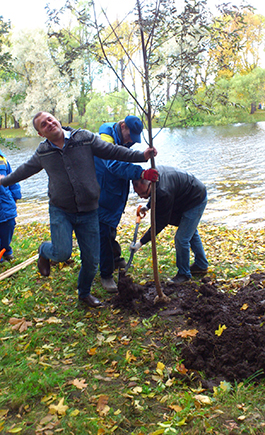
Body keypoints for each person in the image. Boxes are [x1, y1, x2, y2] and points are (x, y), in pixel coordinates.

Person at [0, 111, 157, 307]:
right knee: (62, 253)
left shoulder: (84, 138)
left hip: (89, 210)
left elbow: (113, 151)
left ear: (57, 120)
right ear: (41, 134)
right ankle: (44, 251)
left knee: (91, 261)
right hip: (61, 209)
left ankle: (84, 294)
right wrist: (4, 181)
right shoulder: (43, 152)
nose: (48, 124)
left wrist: (141, 156)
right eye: (43, 124)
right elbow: (25, 169)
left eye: (50, 119)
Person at [94, 115, 158, 293]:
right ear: (122, 126)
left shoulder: (122, 140)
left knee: (110, 230)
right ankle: (106, 274)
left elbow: (126, 157)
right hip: (103, 194)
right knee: (104, 233)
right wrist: (142, 173)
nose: (131, 141)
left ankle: (114, 259)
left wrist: (142, 156)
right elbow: (113, 164)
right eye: (130, 136)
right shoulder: (105, 138)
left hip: (115, 194)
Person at [132, 165, 208, 283]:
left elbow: (160, 222)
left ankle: (184, 275)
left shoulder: (163, 191)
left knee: (181, 239)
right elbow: (153, 194)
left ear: (150, 185)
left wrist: (140, 243)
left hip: (195, 198)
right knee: (189, 232)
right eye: (138, 194)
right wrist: (148, 206)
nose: (141, 197)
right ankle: (201, 265)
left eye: (143, 194)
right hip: (184, 196)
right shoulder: (152, 175)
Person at [0, 150, 21, 261]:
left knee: (8, 227)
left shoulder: (2, 159)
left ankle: (6, 251)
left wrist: (16, 196)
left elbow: (13, 179)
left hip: (5, 203)